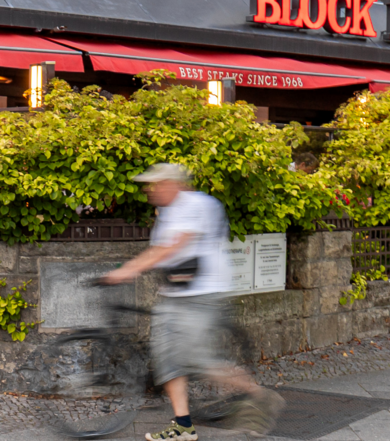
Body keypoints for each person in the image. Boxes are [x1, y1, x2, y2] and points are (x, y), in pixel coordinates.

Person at [101, 164, 283, 440]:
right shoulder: (168, 211)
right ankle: (183, 426)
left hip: (202, 295)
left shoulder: (197, 205)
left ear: (173, 183)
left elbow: (172, 246)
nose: (150, 189)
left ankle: (259, 395)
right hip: (173, 295)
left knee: (196, 361)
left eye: (156, 184)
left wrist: (128, 270)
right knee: (167, 359)